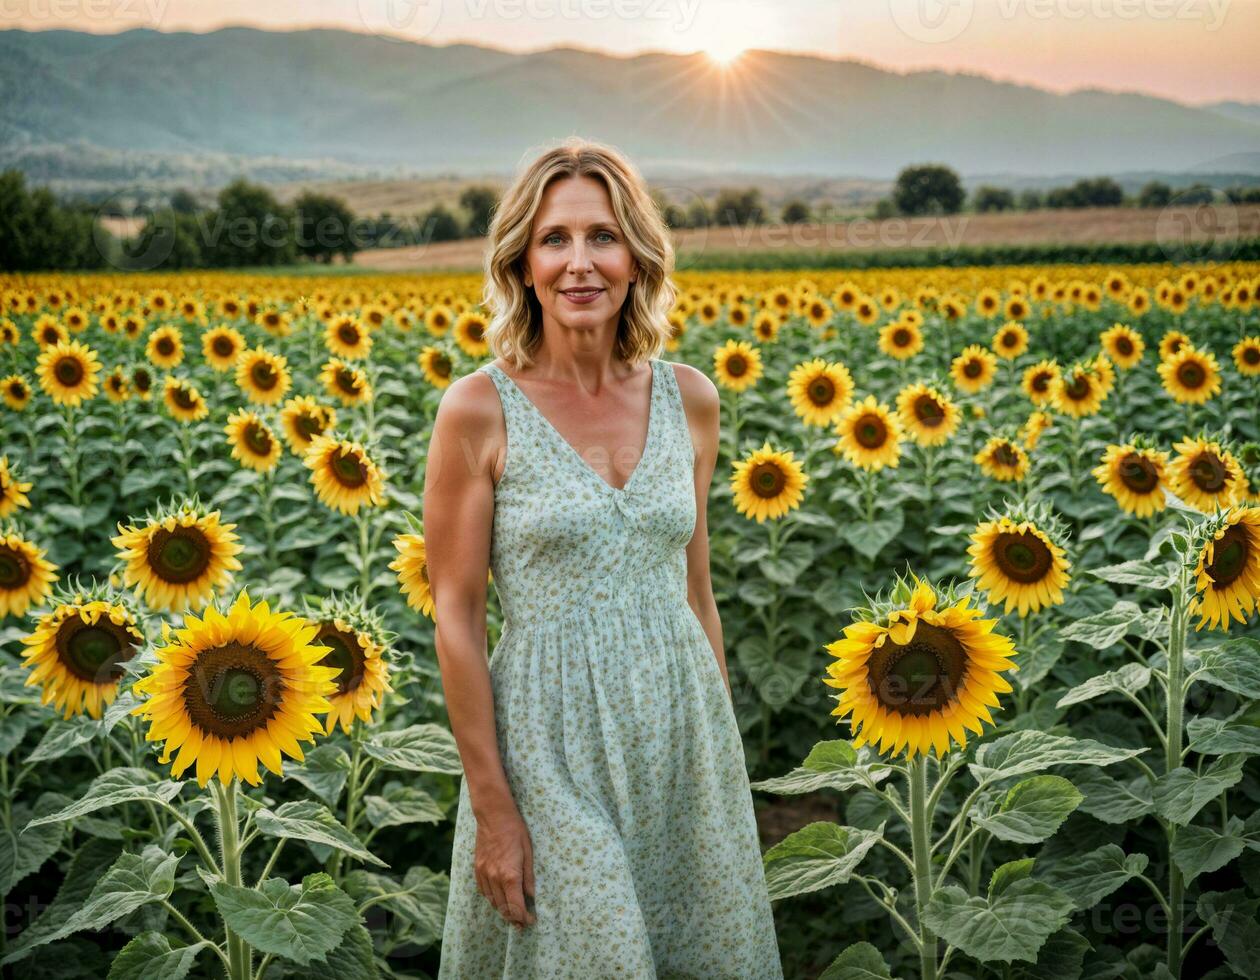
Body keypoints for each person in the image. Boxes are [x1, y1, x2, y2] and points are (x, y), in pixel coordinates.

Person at [424, 136, 783, 978]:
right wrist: (493, 809)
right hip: (549, 745)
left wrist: (721, 758)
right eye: (555, 239)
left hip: (681, 736)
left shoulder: (692, 399)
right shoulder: (478, 410)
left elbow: (697, 592)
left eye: (603, 237)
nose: (579, 263)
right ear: (521, 262)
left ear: (637, 258)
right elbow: (456, 618)